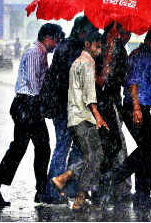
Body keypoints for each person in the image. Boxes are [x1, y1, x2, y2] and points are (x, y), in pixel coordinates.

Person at [0, 23, 64, 207]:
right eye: (56, 40)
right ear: (47, 38)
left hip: (26, 106)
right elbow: (35, 85)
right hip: (28, 105)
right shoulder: (36, 52)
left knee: (21, 149)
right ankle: (40, 191)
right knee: (41, 148)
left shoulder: (39, 52)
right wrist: (45, 103)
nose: (56, 44)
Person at [100, 28, 151, 209]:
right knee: (145, 149)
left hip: (141, 108)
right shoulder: (139, 56)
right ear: (149, 40)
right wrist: (136, 107)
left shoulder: (145, 55)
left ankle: (142, 194)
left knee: (147, 151)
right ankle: (113, 178)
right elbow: (133, 82)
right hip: (135, 109)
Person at [39, 16, 98, 204]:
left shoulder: (65, 46)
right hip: (66, 108)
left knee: (73, 147)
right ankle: (53, 191)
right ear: (82, 32)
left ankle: (65, 187)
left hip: (64, 106)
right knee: (65, 147)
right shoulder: (73, 50)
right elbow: (70, 82)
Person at [51, 30, 109, 210]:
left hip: (74, 116)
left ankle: (66, 179)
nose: (98, 50)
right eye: (97, 47)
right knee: (96, 155)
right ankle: (78, 196)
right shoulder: (88, 63)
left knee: (91, 155)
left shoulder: (76, 62)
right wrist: (98, 117)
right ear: (87, 45)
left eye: (100, 47)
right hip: (84, 116)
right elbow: (89, 94)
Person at [95, 22, 132, 203]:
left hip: (110, 103)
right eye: (125, 33)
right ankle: (104, 186)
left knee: (111, 146)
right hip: (101, 104)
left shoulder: (118, 51)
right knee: (111, 145)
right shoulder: (99, 46)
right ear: (114, 31)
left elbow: (120, 78)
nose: (128, 37)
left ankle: (112, 187)